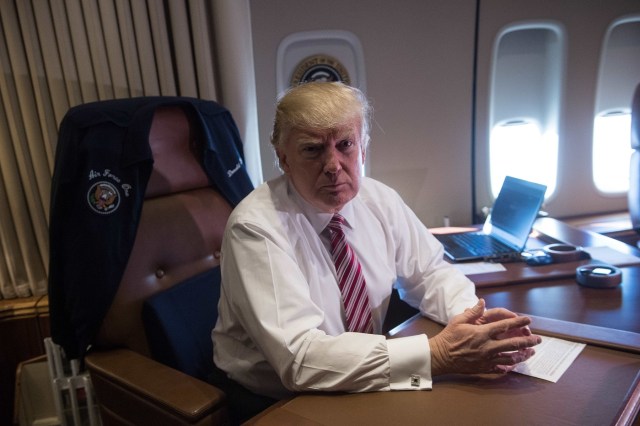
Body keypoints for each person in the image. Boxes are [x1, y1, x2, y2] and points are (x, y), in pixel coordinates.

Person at [211, 81, 541, 422]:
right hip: (277, 399)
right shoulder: (256, 229)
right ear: (283, 159)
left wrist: (474, 322)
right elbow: (300, 359)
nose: (333, 164)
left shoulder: (378, 200)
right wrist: (437, 355)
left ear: (363, 149)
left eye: (345, 145)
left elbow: (430, 271)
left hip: (364, 371)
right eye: (312, 150)